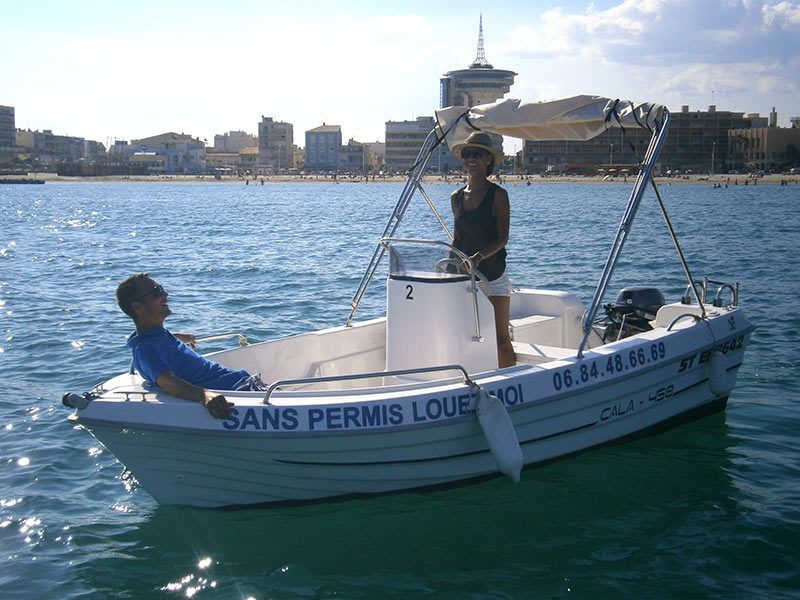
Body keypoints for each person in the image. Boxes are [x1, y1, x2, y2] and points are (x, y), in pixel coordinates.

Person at [116, 273, 262, 419]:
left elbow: (155, 343)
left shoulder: (156, 337)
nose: (166, 294)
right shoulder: (146, 348)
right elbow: (167, 381)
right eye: (156, 292)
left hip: (241, 383)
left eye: (162, 289)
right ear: (138, 307)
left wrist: (177, 338)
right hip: (237, 390)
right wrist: (203, 395)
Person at [450, 131, 515, 368]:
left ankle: (512, 384)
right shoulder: (456, 197)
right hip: (466, 277)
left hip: (494, 274)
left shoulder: (498, 195)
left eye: (478, 154)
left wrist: (479, 256)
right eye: (467, 153)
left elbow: (503, 237)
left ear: (489, 159)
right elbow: (458, 240)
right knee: (467, 336)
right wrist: (447, 269)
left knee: (500, 339)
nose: (472, 158)